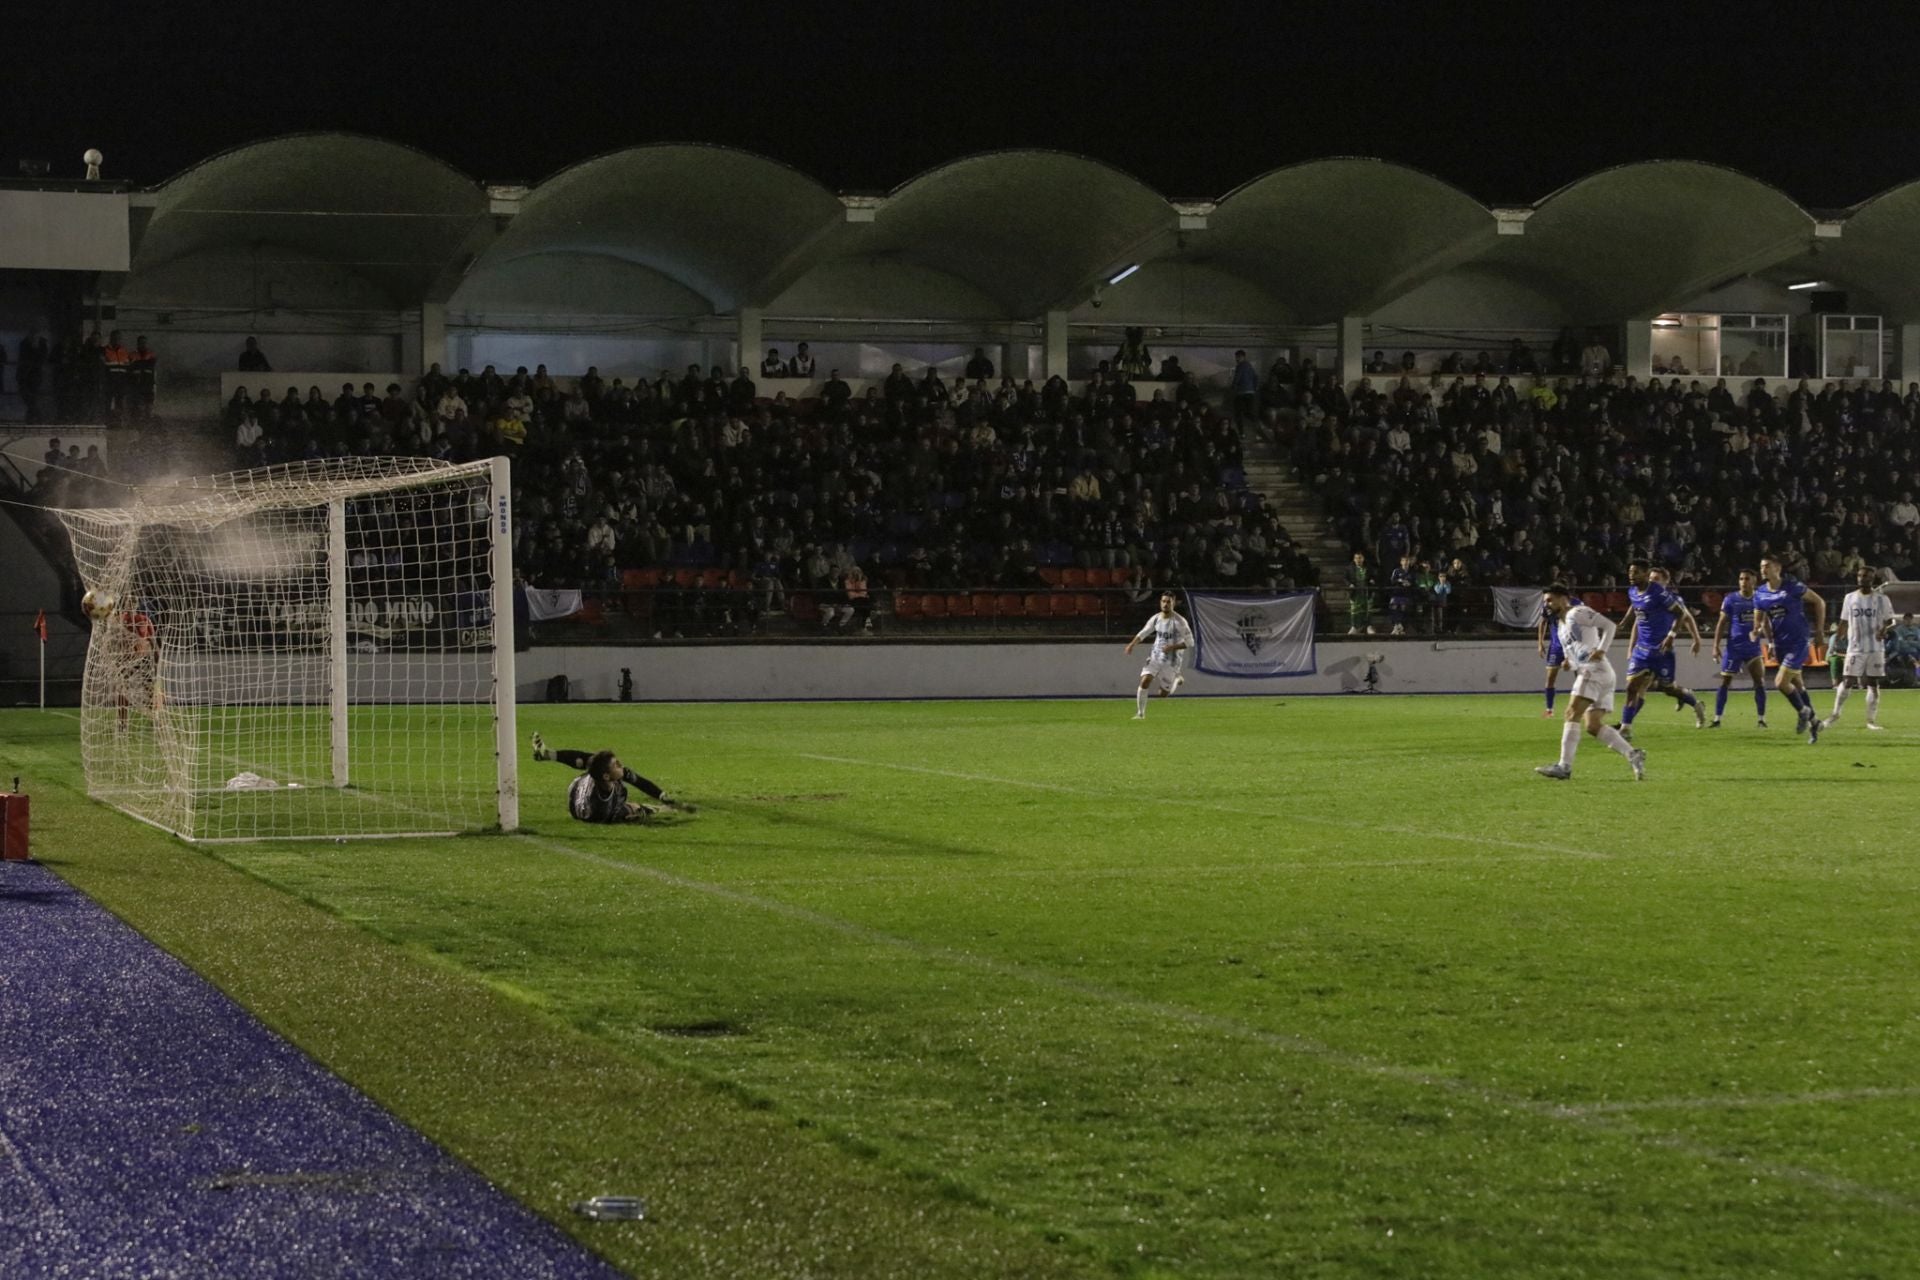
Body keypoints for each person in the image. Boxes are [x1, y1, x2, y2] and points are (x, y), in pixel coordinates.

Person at [1535, 584, 1646, 781]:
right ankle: (1633, 754)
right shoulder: (1560, 626)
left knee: (1571, 713)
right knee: (1593, 726)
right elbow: (1576, 649)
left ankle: (1564, 766)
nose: (1547, 605)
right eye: (1545, 602)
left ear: (1563, 598)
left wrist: (1602, 649)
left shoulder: (1578, 612)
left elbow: (1609, 626)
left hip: (1592, 671)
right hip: (1600, 672)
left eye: (1550, 600)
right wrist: (1569, 662)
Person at [1614, 562, 1705, 738]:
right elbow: (1636, 613)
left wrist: (1683, 637)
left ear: (1665, 581)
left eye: (1656, 578)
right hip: (1642, 649)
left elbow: (1685, 616)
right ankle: (1625, 727)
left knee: (1668, 688)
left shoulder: (1664, 596)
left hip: (1661, 651)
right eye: (1630, 572)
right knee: (1633, 687)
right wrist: (1625, 627)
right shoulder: (1633, 592)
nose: (1632, 575)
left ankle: (1694, 702)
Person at [530, 733, 695, 823]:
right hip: (583, 804)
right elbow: (633, 810)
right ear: (607, 776)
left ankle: (548, 755)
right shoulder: (604, 809)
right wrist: (664, 809)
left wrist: (661, 796)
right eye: (617, 764)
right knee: (633, 808)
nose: (621, 765)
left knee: (595, 761)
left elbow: (640, 782)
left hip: (576, 789)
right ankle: (548, 755)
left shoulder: (606, 777)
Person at [1754, 552, 1828, 743]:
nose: (1763, 569)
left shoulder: (1792, 586)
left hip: (1799, 641)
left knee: (1780, 683)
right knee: (1797, 685)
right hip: (1780, 643)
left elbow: (1819, 601)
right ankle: (1815, 723)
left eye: (1767, 566)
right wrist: (1766, 639)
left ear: (1777, 568)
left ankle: (1803, 711)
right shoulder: (1760, 593)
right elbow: (1760, 621)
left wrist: (1819, 631)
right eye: (1762, 566)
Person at [1822, 566, 1896, 732]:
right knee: (1848, 680)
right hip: (1855, 647)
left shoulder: (1881, 599)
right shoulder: (1849, 598)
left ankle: (1871, 721)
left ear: (1873, 579)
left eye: (1867, 576)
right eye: (1861, 576)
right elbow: (1844, 621)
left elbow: (1891, 621)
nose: (1863, 579)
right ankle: (1835, 714)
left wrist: (1885, 629)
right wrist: (1835, 640)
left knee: (1873, 683)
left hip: (1876, 648)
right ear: (1857, 578)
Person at [1710, 569, 1770, 728]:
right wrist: (1715, 646)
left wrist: (1771, 642)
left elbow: (1765, 622)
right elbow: (1721, 623)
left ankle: (1761, 719)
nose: (1743, 582)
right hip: (1734, 648)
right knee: (1725, 681)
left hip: (1753, 648)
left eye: (1747, 579)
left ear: (1754, 581)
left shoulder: (1760, 598)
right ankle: (1717, 718)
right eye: (1741, 578)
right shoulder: (1731, 599)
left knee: (1759, 681)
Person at [1122, 592, 1192, 720]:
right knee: (1145, 680)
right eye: (1163, 601)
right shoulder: (1156, 618)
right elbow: (1144, 632)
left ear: (1173, 603)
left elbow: (1190, 642)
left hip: (1172, 661)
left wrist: (1172, 647)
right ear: (1160, 602)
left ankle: (1177, 679)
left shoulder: (1180, 622)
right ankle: (1140, 714)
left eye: (1168, 602)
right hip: (1155, 656)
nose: (1165, 604)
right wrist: (1131, 644)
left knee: (1163, 694)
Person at [1537, 587, 1585, 718]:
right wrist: (1540, 642)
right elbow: (1543, 622)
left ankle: (1584, 706)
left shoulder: (1578, 605)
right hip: (1556, 646)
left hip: (1574, 646)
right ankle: (1549, 709)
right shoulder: (1548, 606)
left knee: (1580, 677)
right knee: (1550, 678)